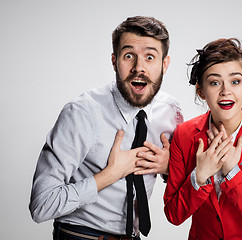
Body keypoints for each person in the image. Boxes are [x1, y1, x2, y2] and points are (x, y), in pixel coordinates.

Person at [29, 16, 183, 240]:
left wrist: (169, 168)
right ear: (114, 61)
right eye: (129, 56)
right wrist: (109, 175)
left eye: (150, 57)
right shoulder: (81, 113)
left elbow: (178, 184)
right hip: (81, 234)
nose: (138, 68)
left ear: (165, 64)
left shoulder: (171, 111)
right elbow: (41, 205)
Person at [164, 38, 242, 239]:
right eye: (214, 82)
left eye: (235, 81)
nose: (225, 91)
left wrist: (232, 172)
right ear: (201, 91)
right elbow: (173, 214)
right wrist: (200, 176)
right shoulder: (184, 135)